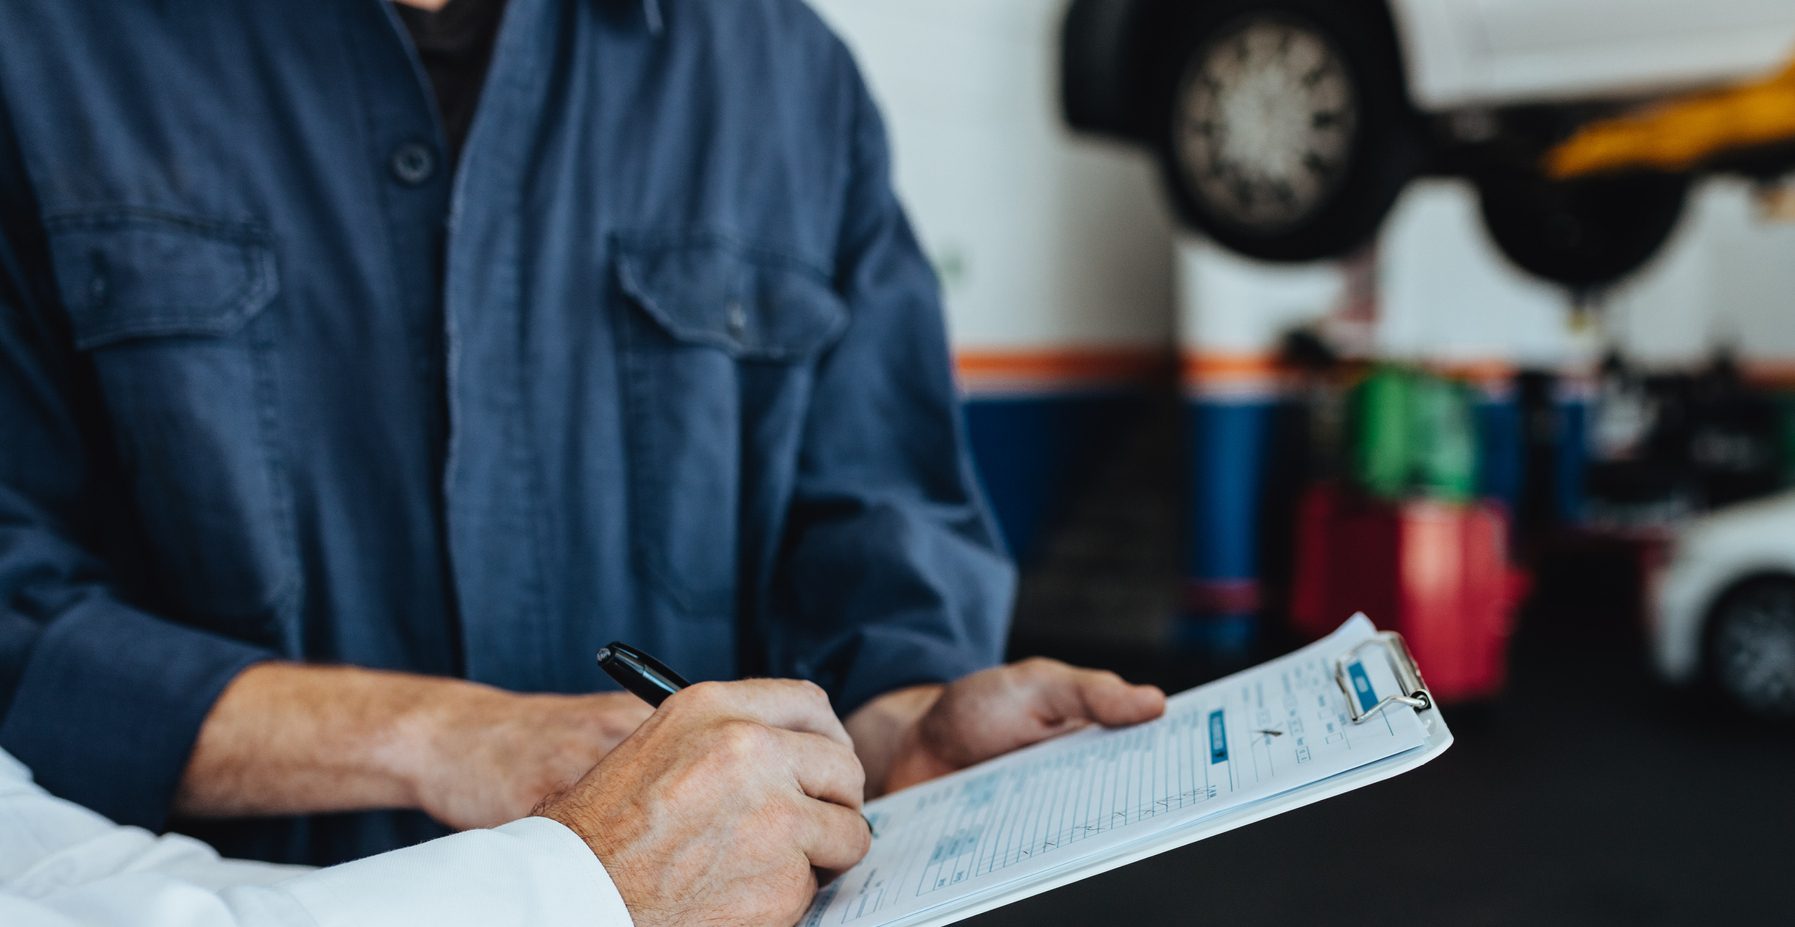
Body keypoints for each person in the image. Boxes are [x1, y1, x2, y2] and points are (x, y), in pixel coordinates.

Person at [0, 0, 1159, 868]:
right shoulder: (44, 54)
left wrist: (905, 730)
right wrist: (438, 737)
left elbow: (872, 530)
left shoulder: (784, 81)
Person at [7, 674, 1146, 927]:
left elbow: (92, 886)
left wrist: (872, 743)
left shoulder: (790, 85)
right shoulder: (46, 68)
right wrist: (585, 875)